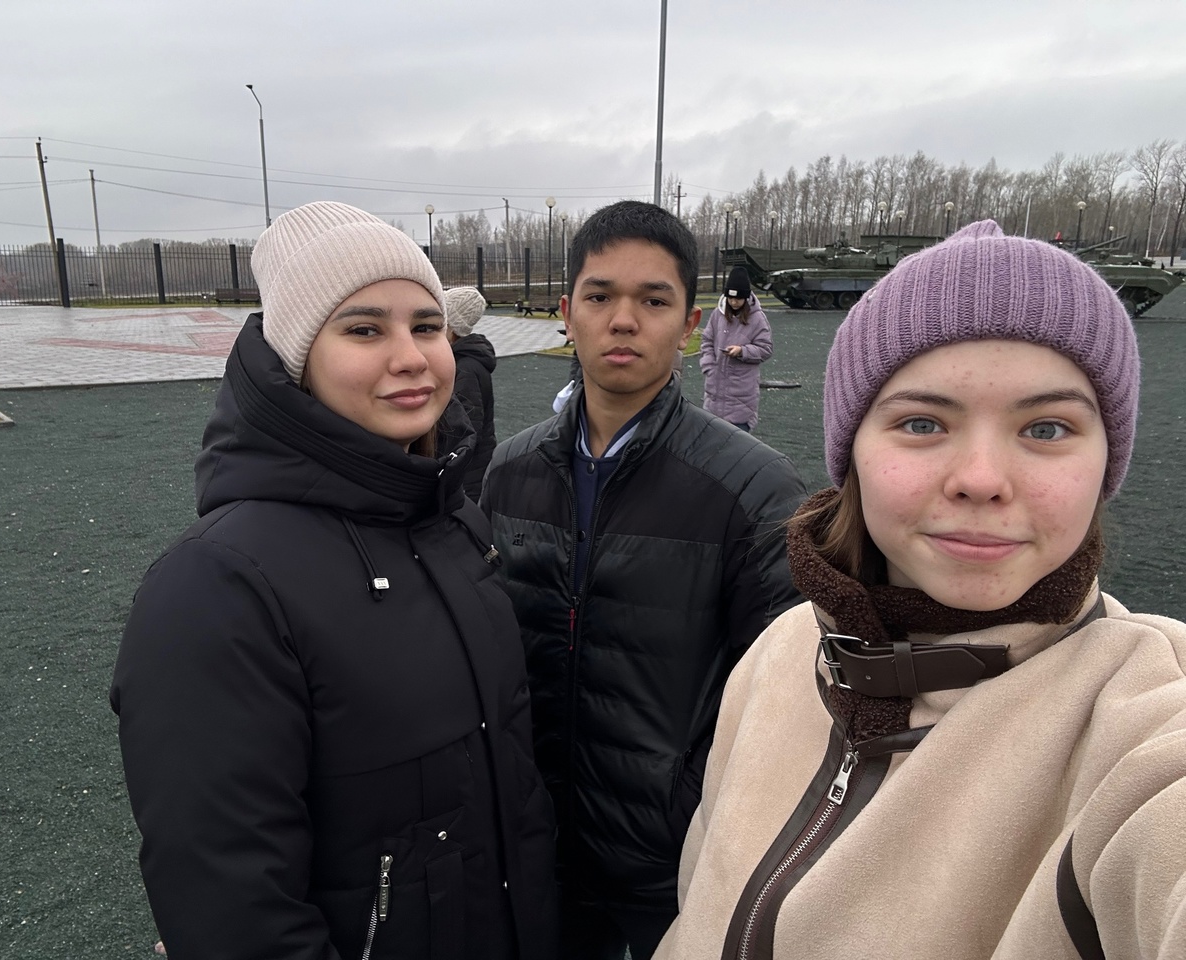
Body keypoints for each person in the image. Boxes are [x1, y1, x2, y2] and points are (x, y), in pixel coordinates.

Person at [654, 221, 1186, 960]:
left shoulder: (1141, 726)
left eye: (1047, 429)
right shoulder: (781, 652)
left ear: (1105, 459)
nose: (981, 479)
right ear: (854, 452)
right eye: (923, 422)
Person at [110, 202, 556, 960]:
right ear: (297, 360)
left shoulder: (453, 524)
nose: (412, 356)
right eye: (364, 330)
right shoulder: (218, 586)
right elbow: (233, 908)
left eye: (426, 325)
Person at [481, 200, 808, 960]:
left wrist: (688, 802)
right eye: (600, 296)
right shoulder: (509, 473)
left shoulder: (752, 490)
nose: (623, 320)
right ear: (568, 314)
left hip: (670, 858)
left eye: (653, 301)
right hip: (535, 839)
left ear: (689, 324)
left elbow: (779, 693)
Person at [438, 286, 498, 499]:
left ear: (453, 328)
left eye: (441, 324)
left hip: (469, 471)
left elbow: (465, 427)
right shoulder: (462, 361)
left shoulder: (466, 368)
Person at [699, 265, 773, 431]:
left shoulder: (758, 319)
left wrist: (742, 351)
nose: (734, 302)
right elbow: (707, 340)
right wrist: (709, 367)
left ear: (746, 298)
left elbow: (766, 348)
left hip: (741, 396)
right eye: (731, 298)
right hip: (714, 394)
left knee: (737, 443)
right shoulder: (717, 314)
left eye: (738, 299)